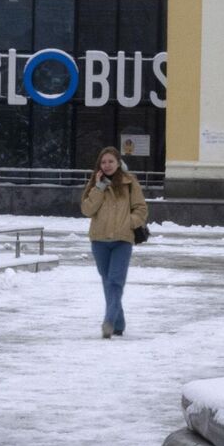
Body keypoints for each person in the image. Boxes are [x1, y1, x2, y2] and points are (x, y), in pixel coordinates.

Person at [79, 145, 148, 339]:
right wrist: (99, 187)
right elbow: (87, 209)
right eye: (104, 162)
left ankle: (108, 321)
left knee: (116, 281)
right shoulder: (96, 181)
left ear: (118, 163)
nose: (107, 165)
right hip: (99, 240)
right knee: (108, 282)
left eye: (111, 161)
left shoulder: (129, 182)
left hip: (122, 240)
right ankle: (119, 322)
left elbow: (141, 209)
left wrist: (129, 223)